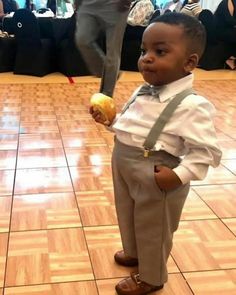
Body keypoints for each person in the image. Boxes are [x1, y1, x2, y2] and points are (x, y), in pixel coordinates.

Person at [90, 12, 222, 295]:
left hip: (156, 172)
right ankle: (136, 253)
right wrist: (111, 122)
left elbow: (206, 151)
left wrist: (179, 175)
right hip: (124, 161)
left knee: (155, 225)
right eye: (144, 50)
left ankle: (152, 276)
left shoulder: (192, 106)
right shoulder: (142, 91)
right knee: (128, 213)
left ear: (189, 62)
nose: (146, 58)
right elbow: (131, 126)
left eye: (159, 51)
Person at [75, 0, 132, 98]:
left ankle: (106, 96)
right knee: (82, 39)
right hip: (88, 4)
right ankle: (110, 73)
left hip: (115, 5)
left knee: (113, 52)